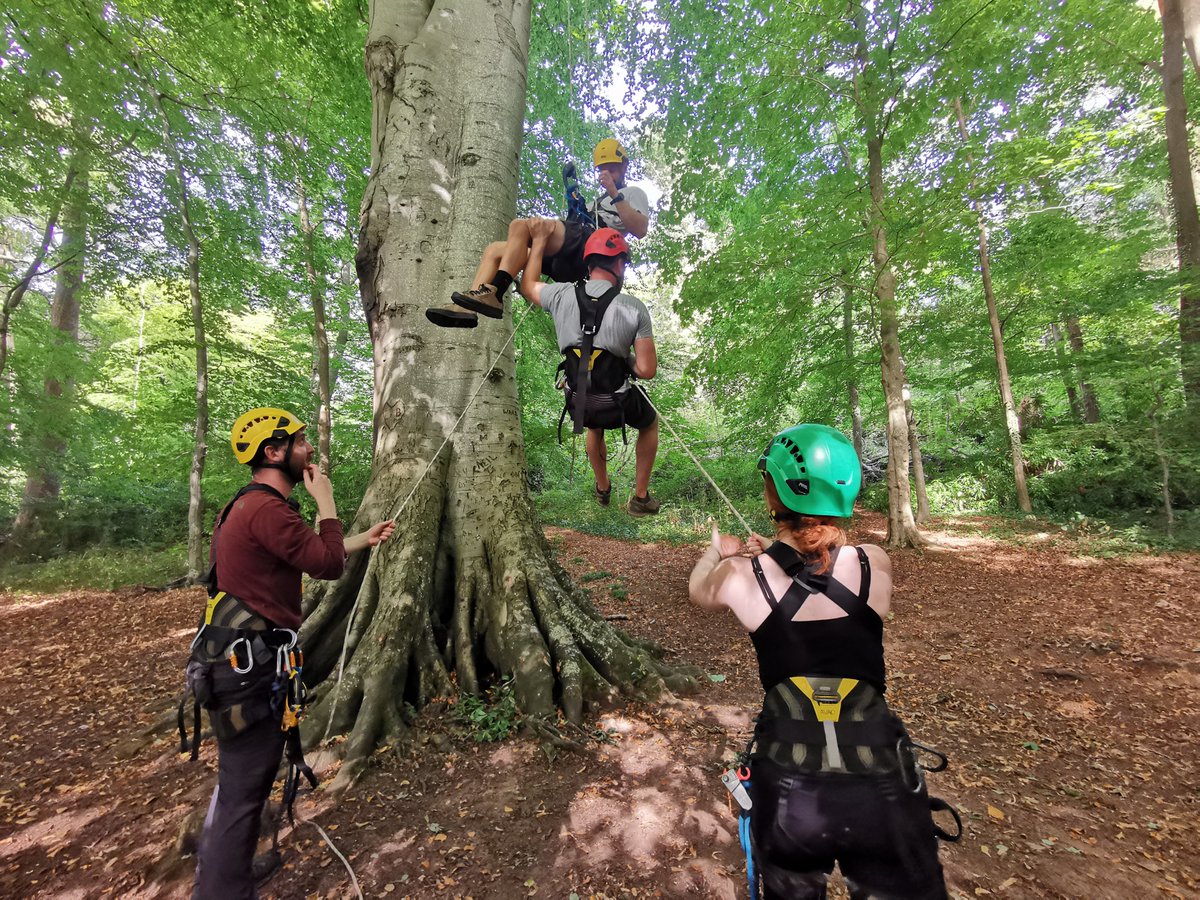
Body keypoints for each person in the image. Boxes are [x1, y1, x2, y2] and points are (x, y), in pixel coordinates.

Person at [688, 424, 953, 899]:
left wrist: (720, 552)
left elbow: (698, 590)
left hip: (791, 789)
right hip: (882, 785)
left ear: (775, 494)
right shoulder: (874, 563)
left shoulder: (740, 576)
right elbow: (819, 572)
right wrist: (771, 556)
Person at [189, 407, 395, 899]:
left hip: (236, 662)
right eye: (300, 442)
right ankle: (221, 890)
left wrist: (360, 540)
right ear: (273, 452)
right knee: (244, 784)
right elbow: (325, 566)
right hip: (245, 669)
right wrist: (326, 500)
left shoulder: (247, 507)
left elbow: (305, 552)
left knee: (245, 777)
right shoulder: (268, 509)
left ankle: (229, 871)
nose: (309, 451)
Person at [426, 138, 651, 328]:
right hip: (570, 254)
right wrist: (576, 202)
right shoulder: (596, 202)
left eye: (612, 167)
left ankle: (494, 293)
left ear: (624, 166)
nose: (607, 173)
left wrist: (614, 192)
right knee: (495, 249)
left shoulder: (632, 193)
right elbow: (574, 224)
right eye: (603, 169)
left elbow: (639, 229)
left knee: (520, 225)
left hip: (590, 246)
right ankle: (466, 309)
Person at [521, 224, 661, 516]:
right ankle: (640, 495)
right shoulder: (633, 307)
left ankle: (602, 486)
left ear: (588, 261)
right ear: (620, 264)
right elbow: (647, 370)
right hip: (617, 401)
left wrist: (540, 240)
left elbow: (528, 284)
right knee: (649, 424)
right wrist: (625, 361)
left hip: (578, 400)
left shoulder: (560, 294)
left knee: (593, 424)